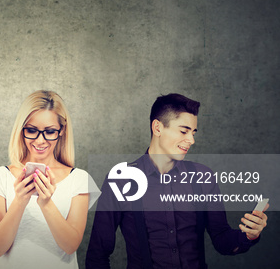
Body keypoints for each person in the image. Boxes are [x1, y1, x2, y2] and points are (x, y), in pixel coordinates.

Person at [86, 93, 269, 268]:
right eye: (184, 131)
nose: (191, 140)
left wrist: (249, 235)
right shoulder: (121, 180)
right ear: (157, 128)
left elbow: (222, 241)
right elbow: (97, 255)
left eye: (193, 133)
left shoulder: (203, 178)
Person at [0, 90, 100, 268]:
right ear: (21, 130)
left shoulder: (79, 179)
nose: (40, 140)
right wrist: (20, 201)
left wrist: (46, 203)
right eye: (32, 130)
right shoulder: (0, 176)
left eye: (49, 131)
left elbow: (70, 245)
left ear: (61, 131)